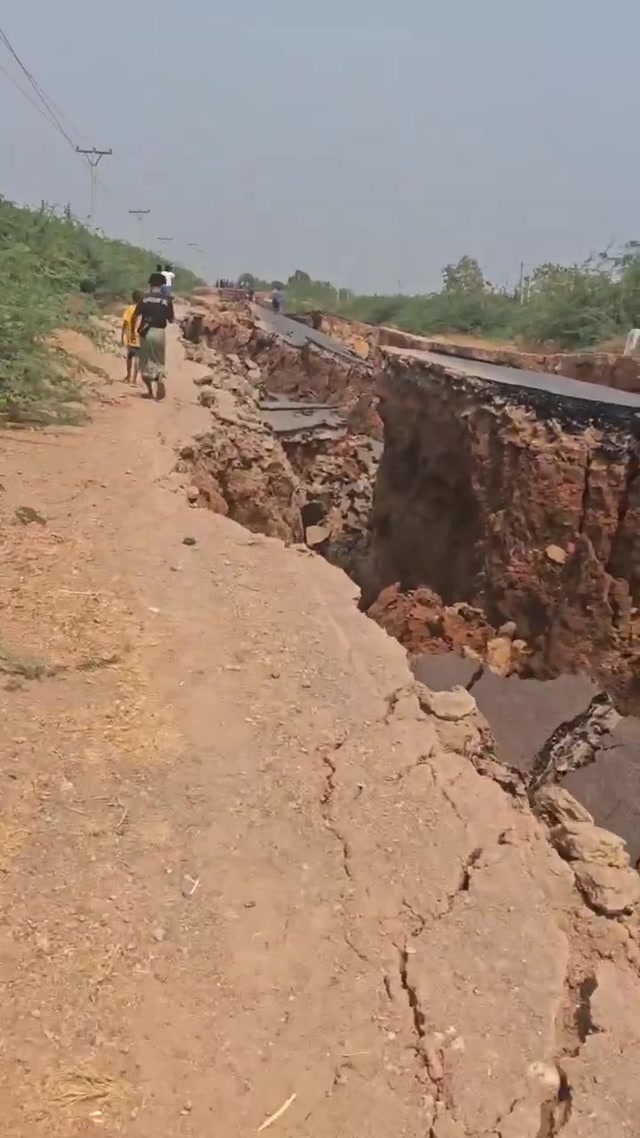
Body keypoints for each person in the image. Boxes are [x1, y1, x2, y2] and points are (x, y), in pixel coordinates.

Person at [133, 272, 175, 400]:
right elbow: (171, 320)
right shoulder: (167, 300)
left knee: (145, 362)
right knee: (159, 361)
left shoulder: (144, 298)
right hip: (159, 333)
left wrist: (133, 330)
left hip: (146, 332)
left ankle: (150, 392)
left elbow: (135, 315)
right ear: (162, 285)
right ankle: (160, 379)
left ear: (150, 284)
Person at [121, 289, 143, 384]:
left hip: (130, 337)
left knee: (130, 357)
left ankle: (128, 376)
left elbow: (125, 324)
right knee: (138, 359)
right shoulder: (143, 310)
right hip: (140, 337)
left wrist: (122, 336)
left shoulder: (129, 309)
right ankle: (134, 379)